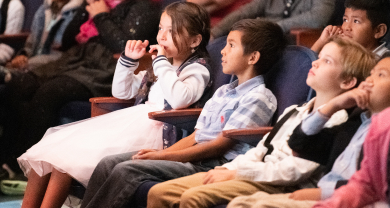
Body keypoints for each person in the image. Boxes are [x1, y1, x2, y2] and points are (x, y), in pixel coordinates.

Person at [0, 0, 163, 194]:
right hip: (81, 59)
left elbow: (123, 45)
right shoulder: (100, 4)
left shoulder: (143, 6)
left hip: (111, 68)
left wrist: (101, 16)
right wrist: (89, 3)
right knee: (20, 85)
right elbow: (68, 40)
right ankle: (15, 158)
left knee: (50, 92)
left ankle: (24, 167)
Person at [17, 1, 212, 208]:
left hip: (160, 132)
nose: (162, 36)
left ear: (194, 40)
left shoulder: (196, 69)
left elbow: (180, 99)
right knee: (55, 153)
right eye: (161, 28)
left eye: (171, 31)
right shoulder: (162, 65)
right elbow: (122, 92)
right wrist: (128, 61)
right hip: (135, 122)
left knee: (67, 161)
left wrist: (161, 62)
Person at [80, 19, 287, 208]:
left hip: (216, 164)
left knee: (127, 169)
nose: (222, 52)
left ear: (253, 57)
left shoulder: (259, 97)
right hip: (197, 158)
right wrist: (163, 155)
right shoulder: (224, 92)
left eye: (231, 45)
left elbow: (218, 146)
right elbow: (196, 136)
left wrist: (164, 157)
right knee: (109, 162)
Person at [147, 38, 376, 208]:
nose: (315, 64)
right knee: (159, 193)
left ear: (348, 81)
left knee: (192, 197)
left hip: (275, 181)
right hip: (254, 170)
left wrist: (239, 173)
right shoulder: (294, 111)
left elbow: (293, 171)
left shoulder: (339, 120)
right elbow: (261, 150)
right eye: (319, 57)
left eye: (326, 61)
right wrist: (229, 168)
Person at [225, 55, 390, 208]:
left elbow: (372, 187)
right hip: (334, 195)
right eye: (371, 74)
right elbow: (300, 146)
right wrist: (333, 105)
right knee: (241, 203)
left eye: (381, 75)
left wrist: (324, 193)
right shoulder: (355, 123)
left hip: (345, 199)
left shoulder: (382, 129)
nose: (369, 81)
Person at [6, 0, 90, 70]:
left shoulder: (79, 14)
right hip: (34, 64)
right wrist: (23, 55)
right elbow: (31, 41)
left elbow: (62, 54)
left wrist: (29, 63)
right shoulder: (45, 8)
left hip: (58, 68)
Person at [311, 0, 390, 59]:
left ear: (379, 31)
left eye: (356, 21)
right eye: (345, 20)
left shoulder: (383, 62)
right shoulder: (346, 51)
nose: (346, 27)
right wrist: (321, 41)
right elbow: (306, 66)